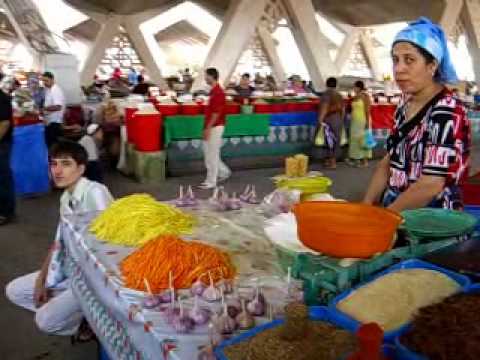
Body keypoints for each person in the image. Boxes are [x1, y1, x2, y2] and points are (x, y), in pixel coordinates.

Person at [5, 140, 113, 337]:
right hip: (71, 268)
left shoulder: (95, 192)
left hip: (94, 277)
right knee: (14, 291)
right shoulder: (66, 198)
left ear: (81, 169)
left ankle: (95, 321)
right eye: (54, 164)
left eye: (66, 164)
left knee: (45, 321)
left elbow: (110, 244)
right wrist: (42, 278)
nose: (57, 170)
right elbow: (59, 242)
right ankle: (84, 320)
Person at [363, 17, 471, 212]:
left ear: (432, 66)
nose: (399, 69)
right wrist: (366, 206)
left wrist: (385, 219)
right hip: (397, 211)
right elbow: (388, 163)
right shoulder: (404, 106)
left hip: (431, 219)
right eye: (395, 60)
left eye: (409, 60)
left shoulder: (446, 111)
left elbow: (431, 184)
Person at [199, 67, 231, 190]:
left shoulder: (218, 92)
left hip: (215, 126)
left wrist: (208, 128)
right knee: (210, 152)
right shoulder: (213, 91)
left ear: (212, 76)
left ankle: (211, 181)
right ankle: (223, 172)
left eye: (206, 76)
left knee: (211, 154)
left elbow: (216, 113)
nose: (205, 78)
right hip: (212, 125)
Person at [317, 77, 344, 169]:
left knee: (329, 141)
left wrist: (320, 119)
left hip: (329, 119)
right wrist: (341, 119)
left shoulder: (327, 94)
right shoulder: (339, 95)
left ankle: (332, 162)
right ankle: (332, 161)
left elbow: (325, 108)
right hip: (338, 119)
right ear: (336, 85)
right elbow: (342, 109)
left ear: (326, 84)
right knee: (336, 140)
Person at [346, 80, 372, 168]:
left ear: (358, 87)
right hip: (355, 121)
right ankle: (357, 159)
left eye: (354, 87)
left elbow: (367, 110)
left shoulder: (365, 96)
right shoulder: (355, 97)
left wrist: (367, 123)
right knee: (355, 140)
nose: (353, 88)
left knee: (363, 139)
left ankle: (365, 161)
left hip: (362, 120)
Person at [0, 74, 15, 225]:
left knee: (3, 177)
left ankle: (6, 212)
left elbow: (4, 124)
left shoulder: (2, 99)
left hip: (2, 144)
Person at [42, 72, 65, 148]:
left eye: (46, 80)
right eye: (43, 81)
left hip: (54, 123)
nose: (44, 83)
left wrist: (43, 109)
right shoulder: (49, 90)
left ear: (52, 79)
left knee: (53, 146)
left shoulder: (55, 90)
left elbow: (58, 107)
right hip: (49, 122)